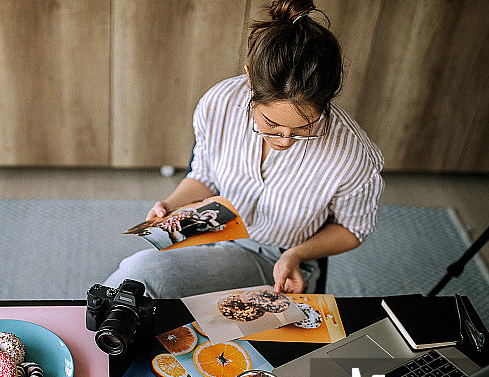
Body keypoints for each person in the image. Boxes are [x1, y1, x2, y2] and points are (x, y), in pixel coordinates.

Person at [105, 0, 384, 298]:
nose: (285, 140)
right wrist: (171, 205)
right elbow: (205, 176)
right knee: (133, 282)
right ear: (250, 80)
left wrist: (296, 255)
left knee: (142, 277)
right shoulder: (220, 103)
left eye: (305, 127)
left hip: (276, 256)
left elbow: (353, 229)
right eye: (272, 123)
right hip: (212, 226)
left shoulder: (353, 157)